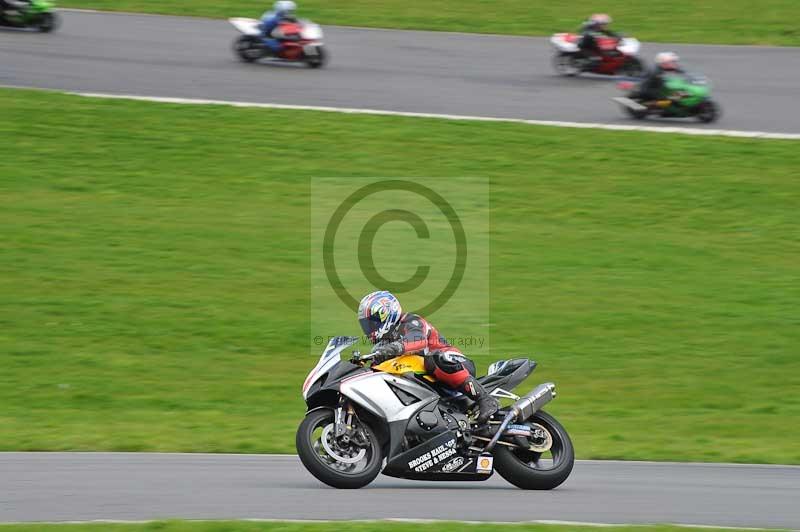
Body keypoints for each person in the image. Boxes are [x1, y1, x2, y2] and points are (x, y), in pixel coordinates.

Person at [357, 290, 499, 425]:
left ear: (385, 314)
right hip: (430, 382)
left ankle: (485, 399)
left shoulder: (410, 321)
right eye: (366, 325)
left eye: (372, 323)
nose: (369, 329)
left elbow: (418, 341)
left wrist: (394, 348)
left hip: (454, 363)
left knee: (436, 358)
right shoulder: (381, 346)